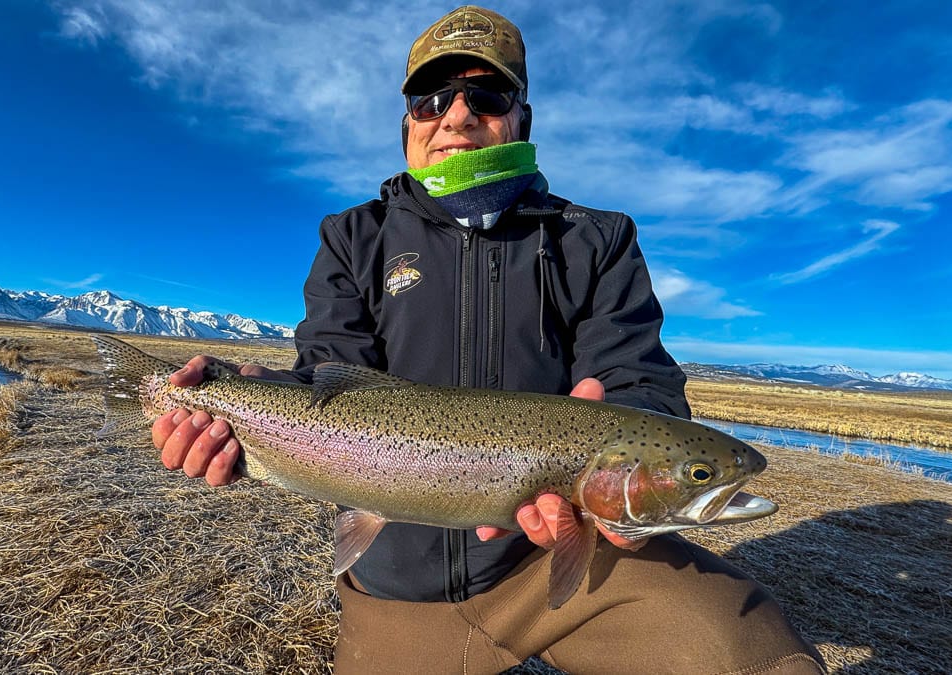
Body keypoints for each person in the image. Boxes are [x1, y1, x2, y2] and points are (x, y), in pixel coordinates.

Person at [151, 6, 825, 674]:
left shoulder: (596, 239)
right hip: (398, 592)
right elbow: (328, 380)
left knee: (759, 660)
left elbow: (640, 384)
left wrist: (628, 463)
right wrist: (234, 400)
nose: (457, 114)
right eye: (431, 97)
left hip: (571, 564)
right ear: (408, 123)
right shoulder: (352, 237)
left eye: (487, 94)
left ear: (520, 118)